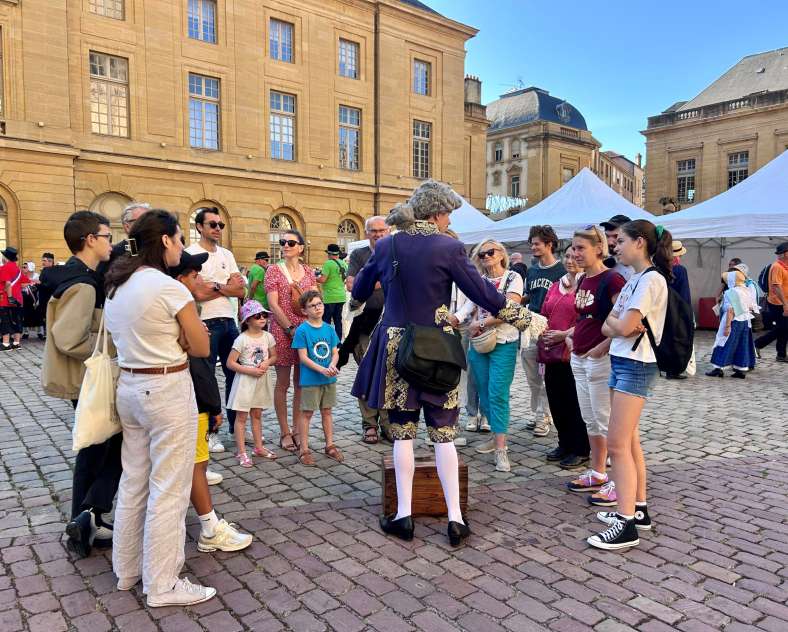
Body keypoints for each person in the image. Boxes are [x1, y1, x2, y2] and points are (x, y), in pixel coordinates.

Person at [351, 180, 543, 548]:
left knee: (403, 432)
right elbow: (482, 293)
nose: (449, 220)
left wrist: (357, 303)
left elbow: (360, 288)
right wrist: (525, 318)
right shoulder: (449, 246)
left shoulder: (388, 244)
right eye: (448, 214)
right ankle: (455, 518)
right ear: (438, 213)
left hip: (395, 347)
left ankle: (403, 516)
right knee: (443, 433)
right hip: (437, 346)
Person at [105, 209, 216, 607]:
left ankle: (127, 568)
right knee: (169, 487)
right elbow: (201, 345)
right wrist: (183, 338)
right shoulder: (168, 287)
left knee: (134, 479)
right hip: (166, 386)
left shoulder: (117, 284)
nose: (182, 246)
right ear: (165, 240)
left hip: (130, 385)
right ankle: (163, 583)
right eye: (180, 238)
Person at [40, 212, 120, 558]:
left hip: (85, 378)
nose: (110, 242)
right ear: (90, 239)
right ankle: (85, 518)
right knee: (101, 447)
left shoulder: (80, 277)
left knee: (97, 448)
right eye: (106, 236)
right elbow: (70, 338)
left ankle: (88, 517)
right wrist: (110, 347)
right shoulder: (84, 284)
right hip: (87, 379)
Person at [589, 220, 671, 550]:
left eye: (620, 240)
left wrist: (616, 324)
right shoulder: (634, 279)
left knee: (618, 445)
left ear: (639, 242)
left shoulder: (650, 279)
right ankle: (637, 509)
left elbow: (621, 326)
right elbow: (612, 324)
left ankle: (626, 524)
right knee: (629, 441)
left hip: (636, 364)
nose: (615, 246)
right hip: (623, 360)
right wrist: (617, 324)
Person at [170, 251, 253, 553]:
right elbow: (200, 358)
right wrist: (213, 406)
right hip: (185, 395)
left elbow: (239, 290)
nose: (200, 282)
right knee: (196, 462)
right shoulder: (182, 305)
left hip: (160, 393)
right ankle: (209, 528)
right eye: (195, 277)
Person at [566, 225, 625, 507]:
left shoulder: (612, 279)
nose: (575, 253)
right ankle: (598, 471)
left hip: (600, 358)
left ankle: (619, 481)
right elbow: (584, 318)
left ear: (598, 248)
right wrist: (570, 337)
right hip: (580, 356)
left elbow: (625, 320)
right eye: (573, 248)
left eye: (581, 248)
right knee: (589, 419)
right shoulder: (583, 280)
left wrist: (604, 346)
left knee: (605, 420)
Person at [185, 207, 246, 452]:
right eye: (212, 224)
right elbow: (197, 292)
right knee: (206, 378)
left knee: (236, 375)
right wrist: (225, 286)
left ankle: (236, 427)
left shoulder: (226, 254)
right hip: (205, 322)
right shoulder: (191, 254)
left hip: (228, 321)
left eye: (220, 225)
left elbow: (240, 290)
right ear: (199, 227)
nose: (218, 229)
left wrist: (215, 286)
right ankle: (210, 432)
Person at [464, 240, 523, 472]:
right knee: (483, 391)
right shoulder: (478, 280)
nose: (486, 256)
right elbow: (469, 307)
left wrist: (481, 323)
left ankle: (501, 449)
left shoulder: (513, 278)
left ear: (501, 254)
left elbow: (510, 310)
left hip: (504, 341)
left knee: (498, 393)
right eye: (482, 254)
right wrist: (461, 320)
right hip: (479, 343)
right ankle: (495, 436)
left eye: (490, 252)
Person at [264, 229, 318, 452]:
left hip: (304, 331)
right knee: (283, 383)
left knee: (300, 384)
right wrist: (289, 328)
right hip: (282, 330)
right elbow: (273, 304)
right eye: (283, 242)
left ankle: (297, 429)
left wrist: (312, 328)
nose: (285, 245)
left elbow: (314, 300)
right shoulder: (273, 271)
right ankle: (284, 431)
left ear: (301, 248)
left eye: (291, 243)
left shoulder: (309, 271)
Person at [340, 216, 392, 444]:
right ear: (367, 232)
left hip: (391, 322)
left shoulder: (395, 252)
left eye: (382, 230)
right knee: (367, 372)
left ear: (389, 231)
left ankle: (388, 423)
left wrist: (368, 280)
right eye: (373, 230)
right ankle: (369, 423)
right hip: (363, 325)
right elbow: (352, 284)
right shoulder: (359, 254)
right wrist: (383, 280)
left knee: (389, 374)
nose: (378, 234)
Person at [540, 246, 589, 469]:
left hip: (575, 350)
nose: (570, 260)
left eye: (575, 257)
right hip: (552, 351)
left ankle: (580, 448)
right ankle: (564, 443)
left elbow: (589, 320)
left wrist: (564, 334)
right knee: (556, 399)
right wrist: (542, 329)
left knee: (574, 401)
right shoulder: (555, 285)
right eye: (567, 256)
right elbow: (544, 312)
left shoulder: (587, 286)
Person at [521, 225, 565, 437]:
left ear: (549, 244)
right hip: (531, 327)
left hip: (552, 329)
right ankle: (540, 412)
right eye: (532, 244)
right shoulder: (532, 271)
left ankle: (543, 416)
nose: (533, 247)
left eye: (537, 244)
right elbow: (530, 295)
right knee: (532, 377)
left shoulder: (562, 271)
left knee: (548, 376)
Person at [292, 290, 343, 466]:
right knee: (306, 413)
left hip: (328, 378)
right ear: (304, 310)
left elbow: (335, 352)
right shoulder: (302, 330)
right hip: (311, 379)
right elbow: (303, 357)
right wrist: (322, 369)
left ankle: (329, 445)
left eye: (319, 304)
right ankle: (304, 449)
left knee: (327, 411)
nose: (317, 308)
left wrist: (332, 366)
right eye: (312, 305)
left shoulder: (329, 329)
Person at [226, 300, 278, 466]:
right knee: (241, 417)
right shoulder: (241, 339)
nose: (262, 318)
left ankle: (258, 447)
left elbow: (274, 357)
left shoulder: (268, 336)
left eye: (264, 315)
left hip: (261, 380)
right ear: (247, 320)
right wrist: (250, 371)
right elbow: (230, 363)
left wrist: (267, 362)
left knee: (257, 414)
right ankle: (241, 452)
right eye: (257, 316)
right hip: (245, 382)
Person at [707, 270, 758, 378]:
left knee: (723, 342)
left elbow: (731, 310)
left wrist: (727, 326)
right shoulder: (746, 290)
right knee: (742, 345)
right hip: (744, 321)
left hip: (733, 320)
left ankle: (718, 368)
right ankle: (740, 369)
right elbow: (751, 307)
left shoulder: (730, 292)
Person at [754, 242, 788, 362]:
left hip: (784, 302)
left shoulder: (785, 266)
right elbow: (776, 286)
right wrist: (785, 304)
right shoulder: (777, 267)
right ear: (786, 253)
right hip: (777, 303)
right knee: (783, 328)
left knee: (784, 328)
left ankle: (781, 355)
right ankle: (757, 344)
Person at [316, 243, 347, 340]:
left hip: (330, 297)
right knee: (338, 320)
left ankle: (326, 340)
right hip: (341, 296)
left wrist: (314, 278)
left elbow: (323, 279)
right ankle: (338, 342)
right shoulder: (344, 263)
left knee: (326, 321)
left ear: (329, 254)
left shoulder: (328, 263)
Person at [1, 246, 25, 350]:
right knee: (17, 320)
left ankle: (6, 344)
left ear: (5, 258)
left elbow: (7, 283)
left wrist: (10, 296)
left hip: (6, 299)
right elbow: (26, 282)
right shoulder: (18, 270)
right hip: (18, 299)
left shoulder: (4, 268)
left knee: (5, 320)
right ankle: (16, 343)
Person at [601, 215, 634, 280]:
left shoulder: (641, 269)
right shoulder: (605, 263)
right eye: (607, 236)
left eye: (616, 236)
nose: (610, 242)